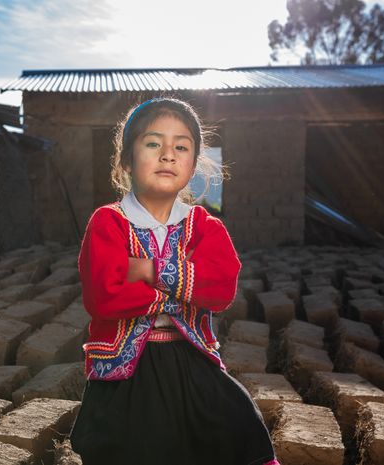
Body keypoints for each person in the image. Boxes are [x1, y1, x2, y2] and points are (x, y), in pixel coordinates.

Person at [69, 97, 280, 465]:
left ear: (194, 163)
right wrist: (185, 285)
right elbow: (105, 294)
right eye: (153, 143)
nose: (168, 155)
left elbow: (220, 288)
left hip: (192, 362)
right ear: (126, 159)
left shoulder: (206, 226)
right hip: (125, 378)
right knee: (136, 447)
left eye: (181, 146)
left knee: (241, 426)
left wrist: (147, 269)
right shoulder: (107, 222)